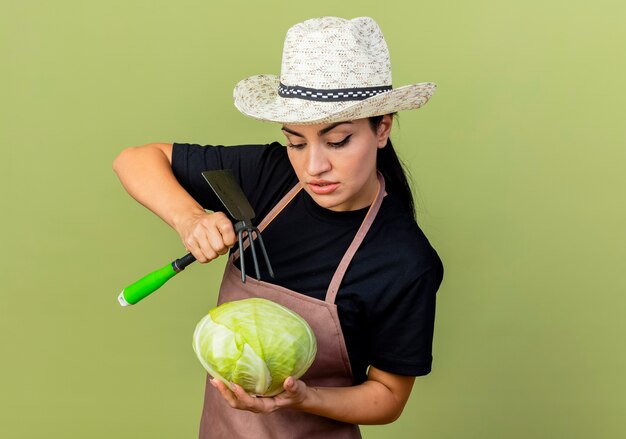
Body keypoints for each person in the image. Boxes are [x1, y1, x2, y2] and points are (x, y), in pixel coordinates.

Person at [113, 16, 443, 439]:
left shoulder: (403, 260)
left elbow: (387, 396)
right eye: (296, 141)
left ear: (382, 127)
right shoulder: (267, 177)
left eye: (338, 140)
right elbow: (134, 159)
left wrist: (302, 397)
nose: (313, 166)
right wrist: (189, 217)